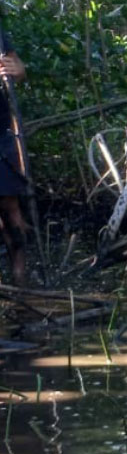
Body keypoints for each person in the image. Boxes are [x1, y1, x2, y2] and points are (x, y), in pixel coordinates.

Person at [0, 38, 29, 288]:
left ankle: (20, 277)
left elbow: (19, 69)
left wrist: (15, 70)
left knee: (9, 203)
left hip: (1, 131)